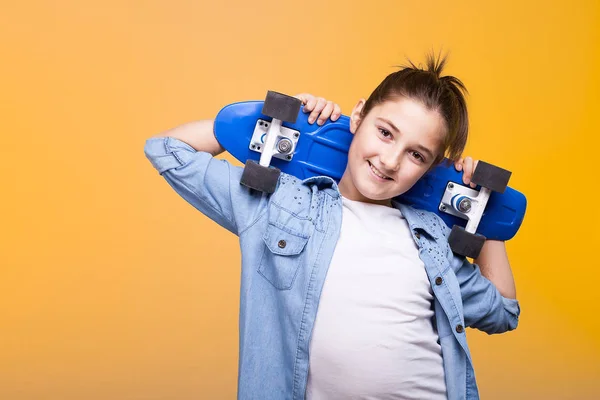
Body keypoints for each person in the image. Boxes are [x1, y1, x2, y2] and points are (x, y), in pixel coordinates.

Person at [143, 52, 520, 400]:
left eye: (416, 154)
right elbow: (167, 150)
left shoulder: (430, 239)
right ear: (357, 116)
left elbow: (502, 312)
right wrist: (272, 117)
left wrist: (485, 209)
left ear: (431, 168)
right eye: (385, 132)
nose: (390, 161)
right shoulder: (282, 204)